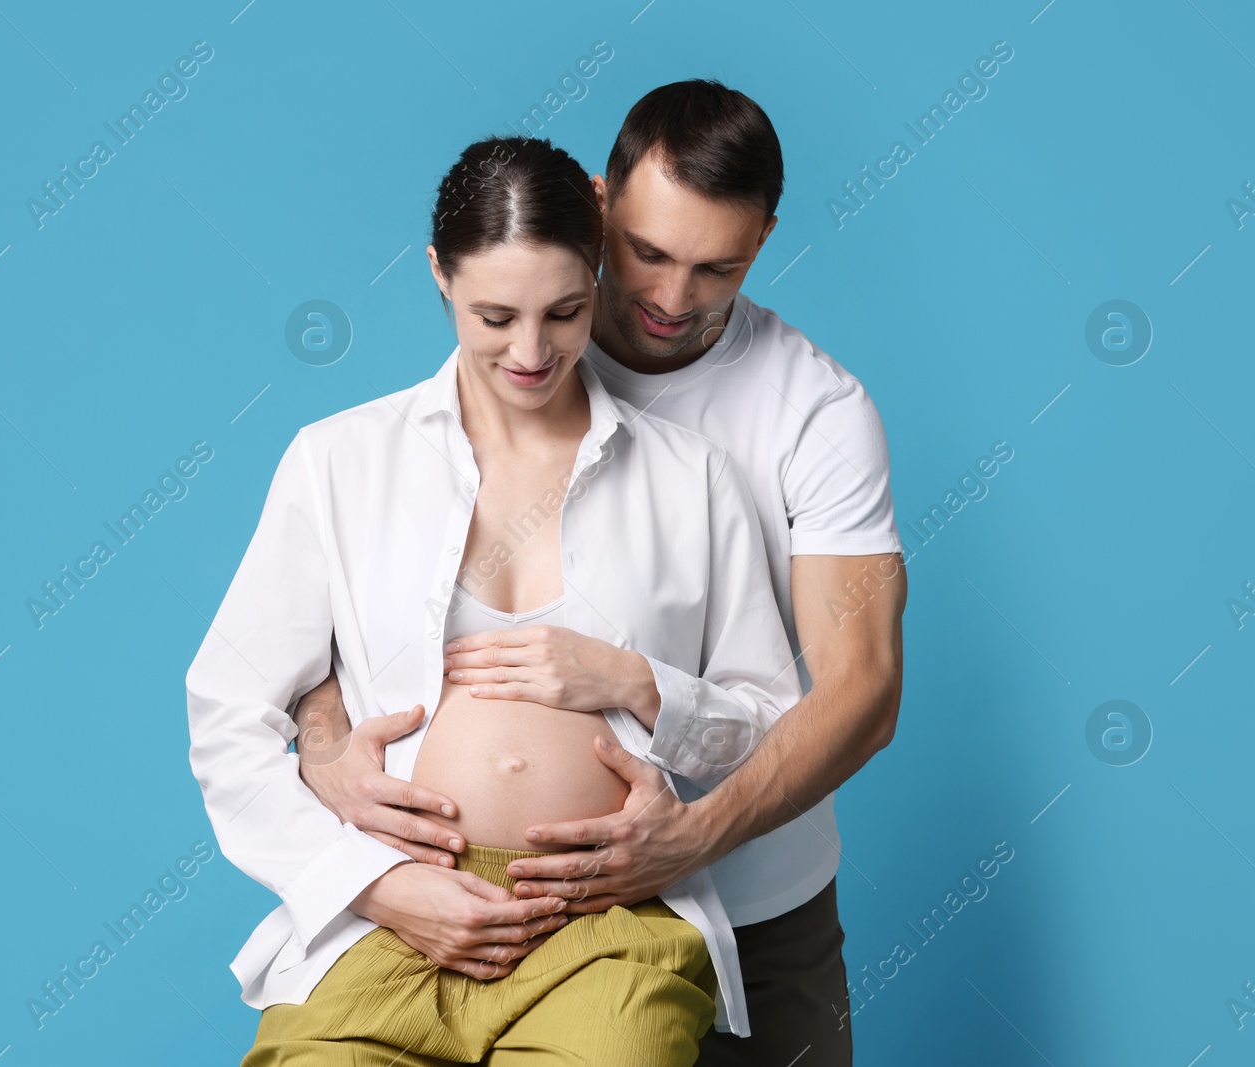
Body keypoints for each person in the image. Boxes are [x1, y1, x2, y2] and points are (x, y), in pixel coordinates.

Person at [296, 81, 908, 1066]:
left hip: (756, 894)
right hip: (511, 908)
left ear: (764, 240)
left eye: (717, 267)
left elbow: (862, 689)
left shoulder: (816, 411)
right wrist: (326, 750)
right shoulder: (528, 344)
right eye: (648, 254)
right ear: (596, 204)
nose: (671, 298)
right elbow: (333, 599)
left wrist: (693, 834)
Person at [186, 135, 804, 1065]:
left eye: (564, 311)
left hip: (603, 925)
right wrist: (372, 883)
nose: (531, 351)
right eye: (494, 315)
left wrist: (643, 684)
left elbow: (774, 726)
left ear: (598, 269)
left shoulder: (691, 479)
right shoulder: (339, 461)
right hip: (389, 914)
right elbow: (227, 712)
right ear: (437, 274)